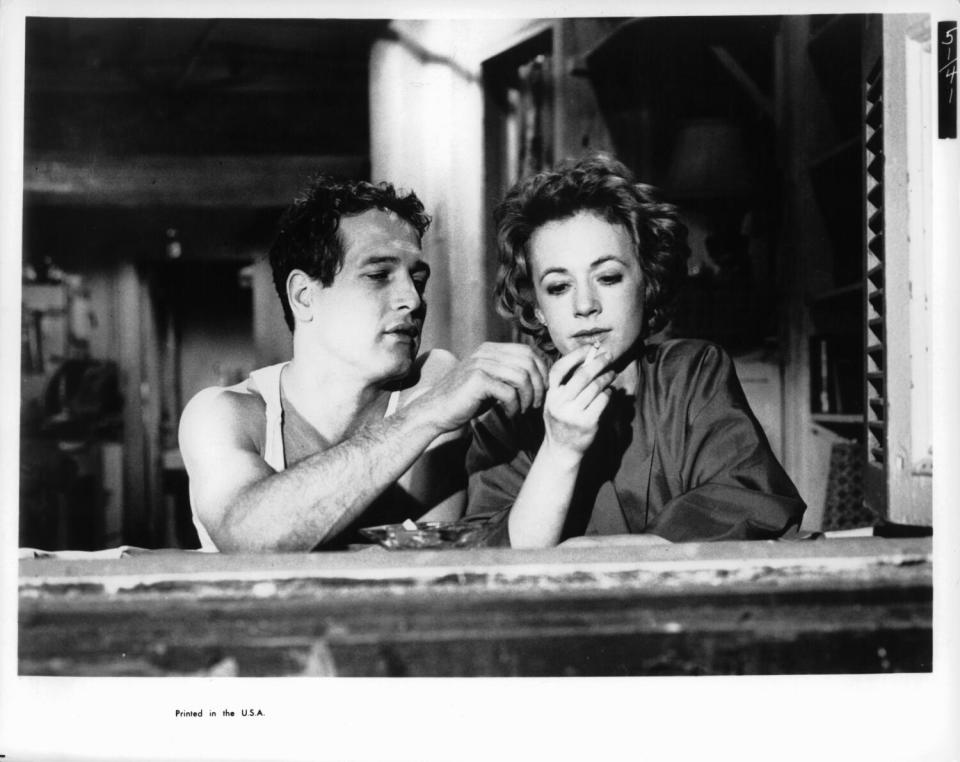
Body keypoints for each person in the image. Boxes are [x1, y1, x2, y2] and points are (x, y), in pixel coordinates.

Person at [179, 175, 547, 552]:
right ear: (304, 297)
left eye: (417, 280)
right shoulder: (224, 414)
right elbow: (248, 537)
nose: (413, 300)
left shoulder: (430, 382)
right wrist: (430, 413)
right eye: (378, 275)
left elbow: (423, 567)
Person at [466, 154, 806, 548]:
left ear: (647, 282)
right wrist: (559, 450)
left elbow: (746, 499)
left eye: (608, 277)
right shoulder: (507, 418)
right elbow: (492, 561)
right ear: (537, 307)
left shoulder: (691, 374)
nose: (585, 305)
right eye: (559, 286)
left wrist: (592, 551)